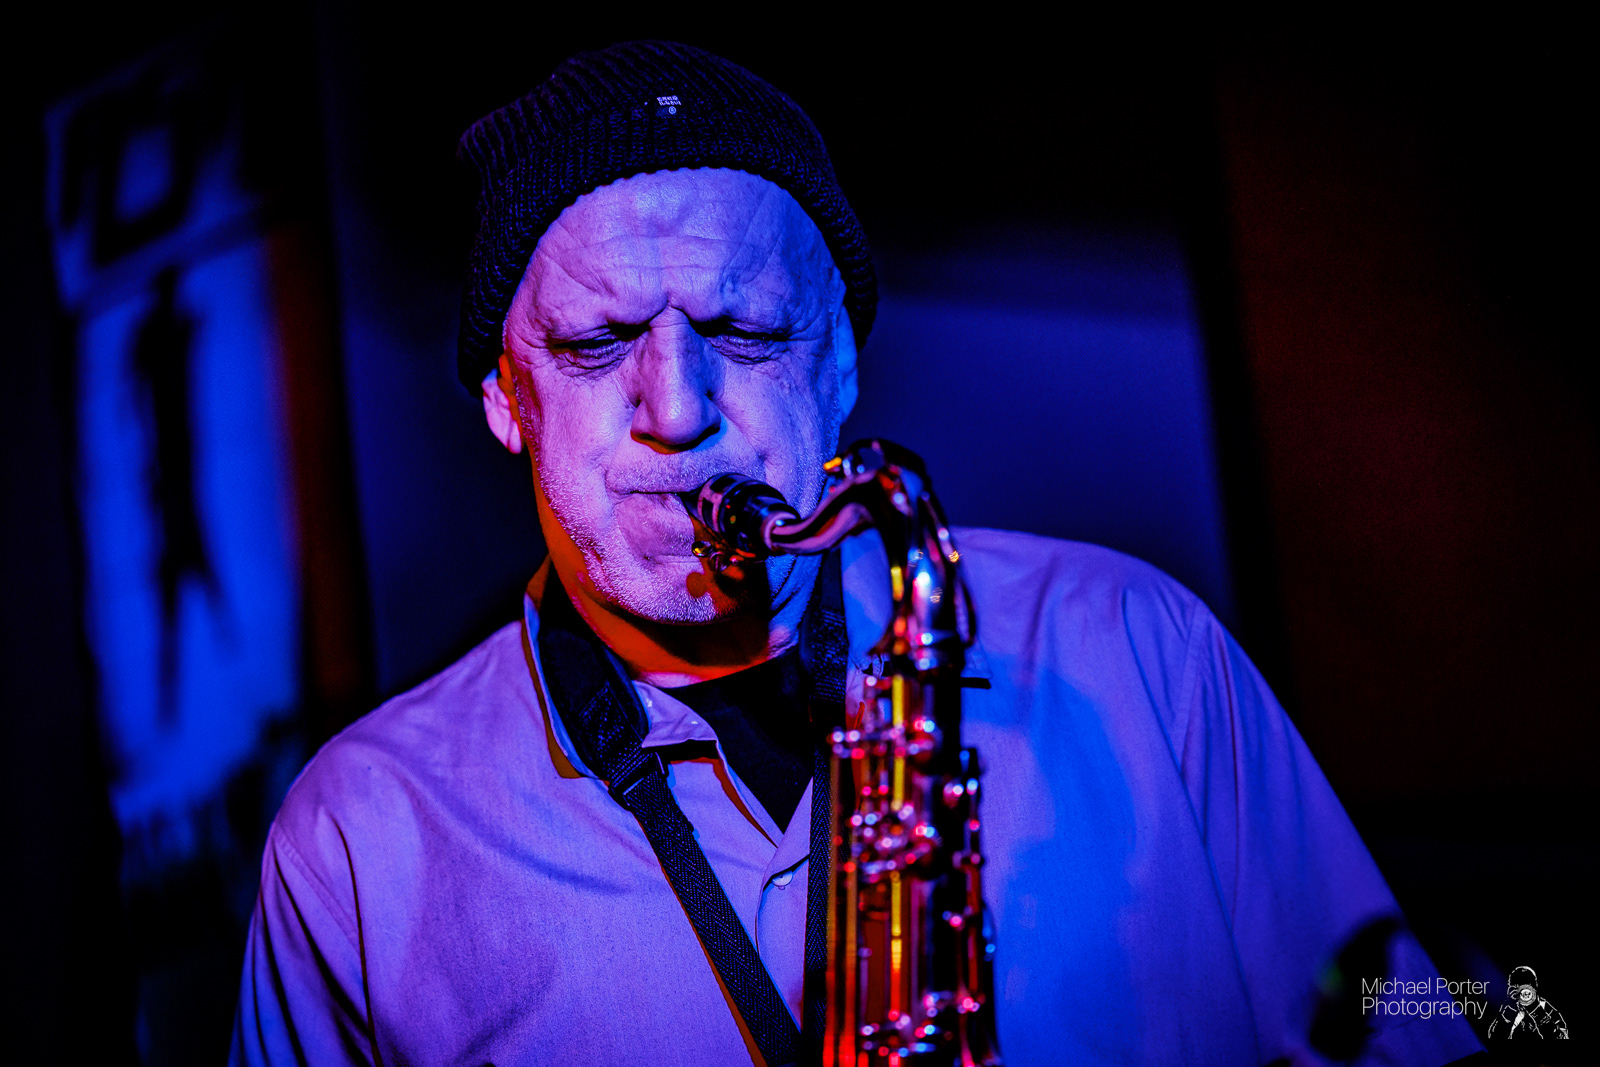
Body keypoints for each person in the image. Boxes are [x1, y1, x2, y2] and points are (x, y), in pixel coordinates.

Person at [231, 41, 1483, 1066]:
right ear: (506, 398)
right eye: (599, 344)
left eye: (745, 329)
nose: (679, 410)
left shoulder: (1135, 646)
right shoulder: (357, 844)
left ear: (838, 364)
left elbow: (1397, 1011)